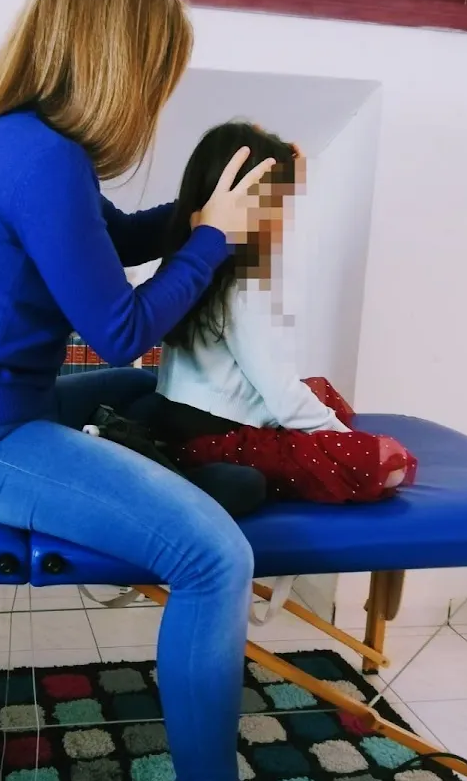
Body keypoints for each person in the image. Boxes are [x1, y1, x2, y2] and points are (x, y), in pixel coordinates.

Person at [0, 0, 275, 781]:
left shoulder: (22, 139)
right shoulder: (39, 158)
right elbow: (120, 326)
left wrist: (201, 211)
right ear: (119, 60)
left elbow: (119, 237)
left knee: (153, 394)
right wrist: (212, 240)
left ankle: (148, 470)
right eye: (158, 73)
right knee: (215, 559)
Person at [147, 121, 416, 503]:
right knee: (381, 464)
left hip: (178, 422)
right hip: (217, 438)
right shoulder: (241, 288)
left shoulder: (187, 265)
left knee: (323, 394)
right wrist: (346, 438)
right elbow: (284, 398)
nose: (284, 218)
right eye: (278, 204)